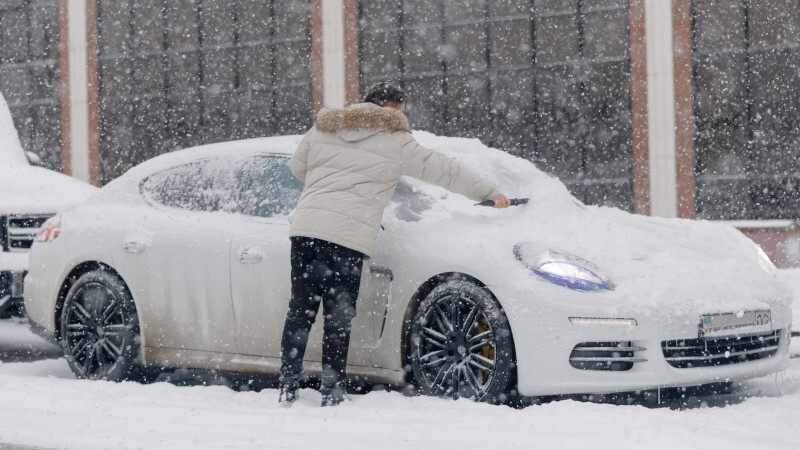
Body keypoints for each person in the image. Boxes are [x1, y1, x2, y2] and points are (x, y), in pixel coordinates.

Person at [278, 82, 510, 407]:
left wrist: (332, 177)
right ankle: (331, 392)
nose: (404, 117)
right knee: (338, 317)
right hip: (346, 237)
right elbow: (445, 172)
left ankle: (287, 387)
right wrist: (489, 193)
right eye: (402, 111)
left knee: (299, 311)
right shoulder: (396, 139)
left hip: (306, 231)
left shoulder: (326, 127)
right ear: (392, 108)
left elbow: (296, 168)